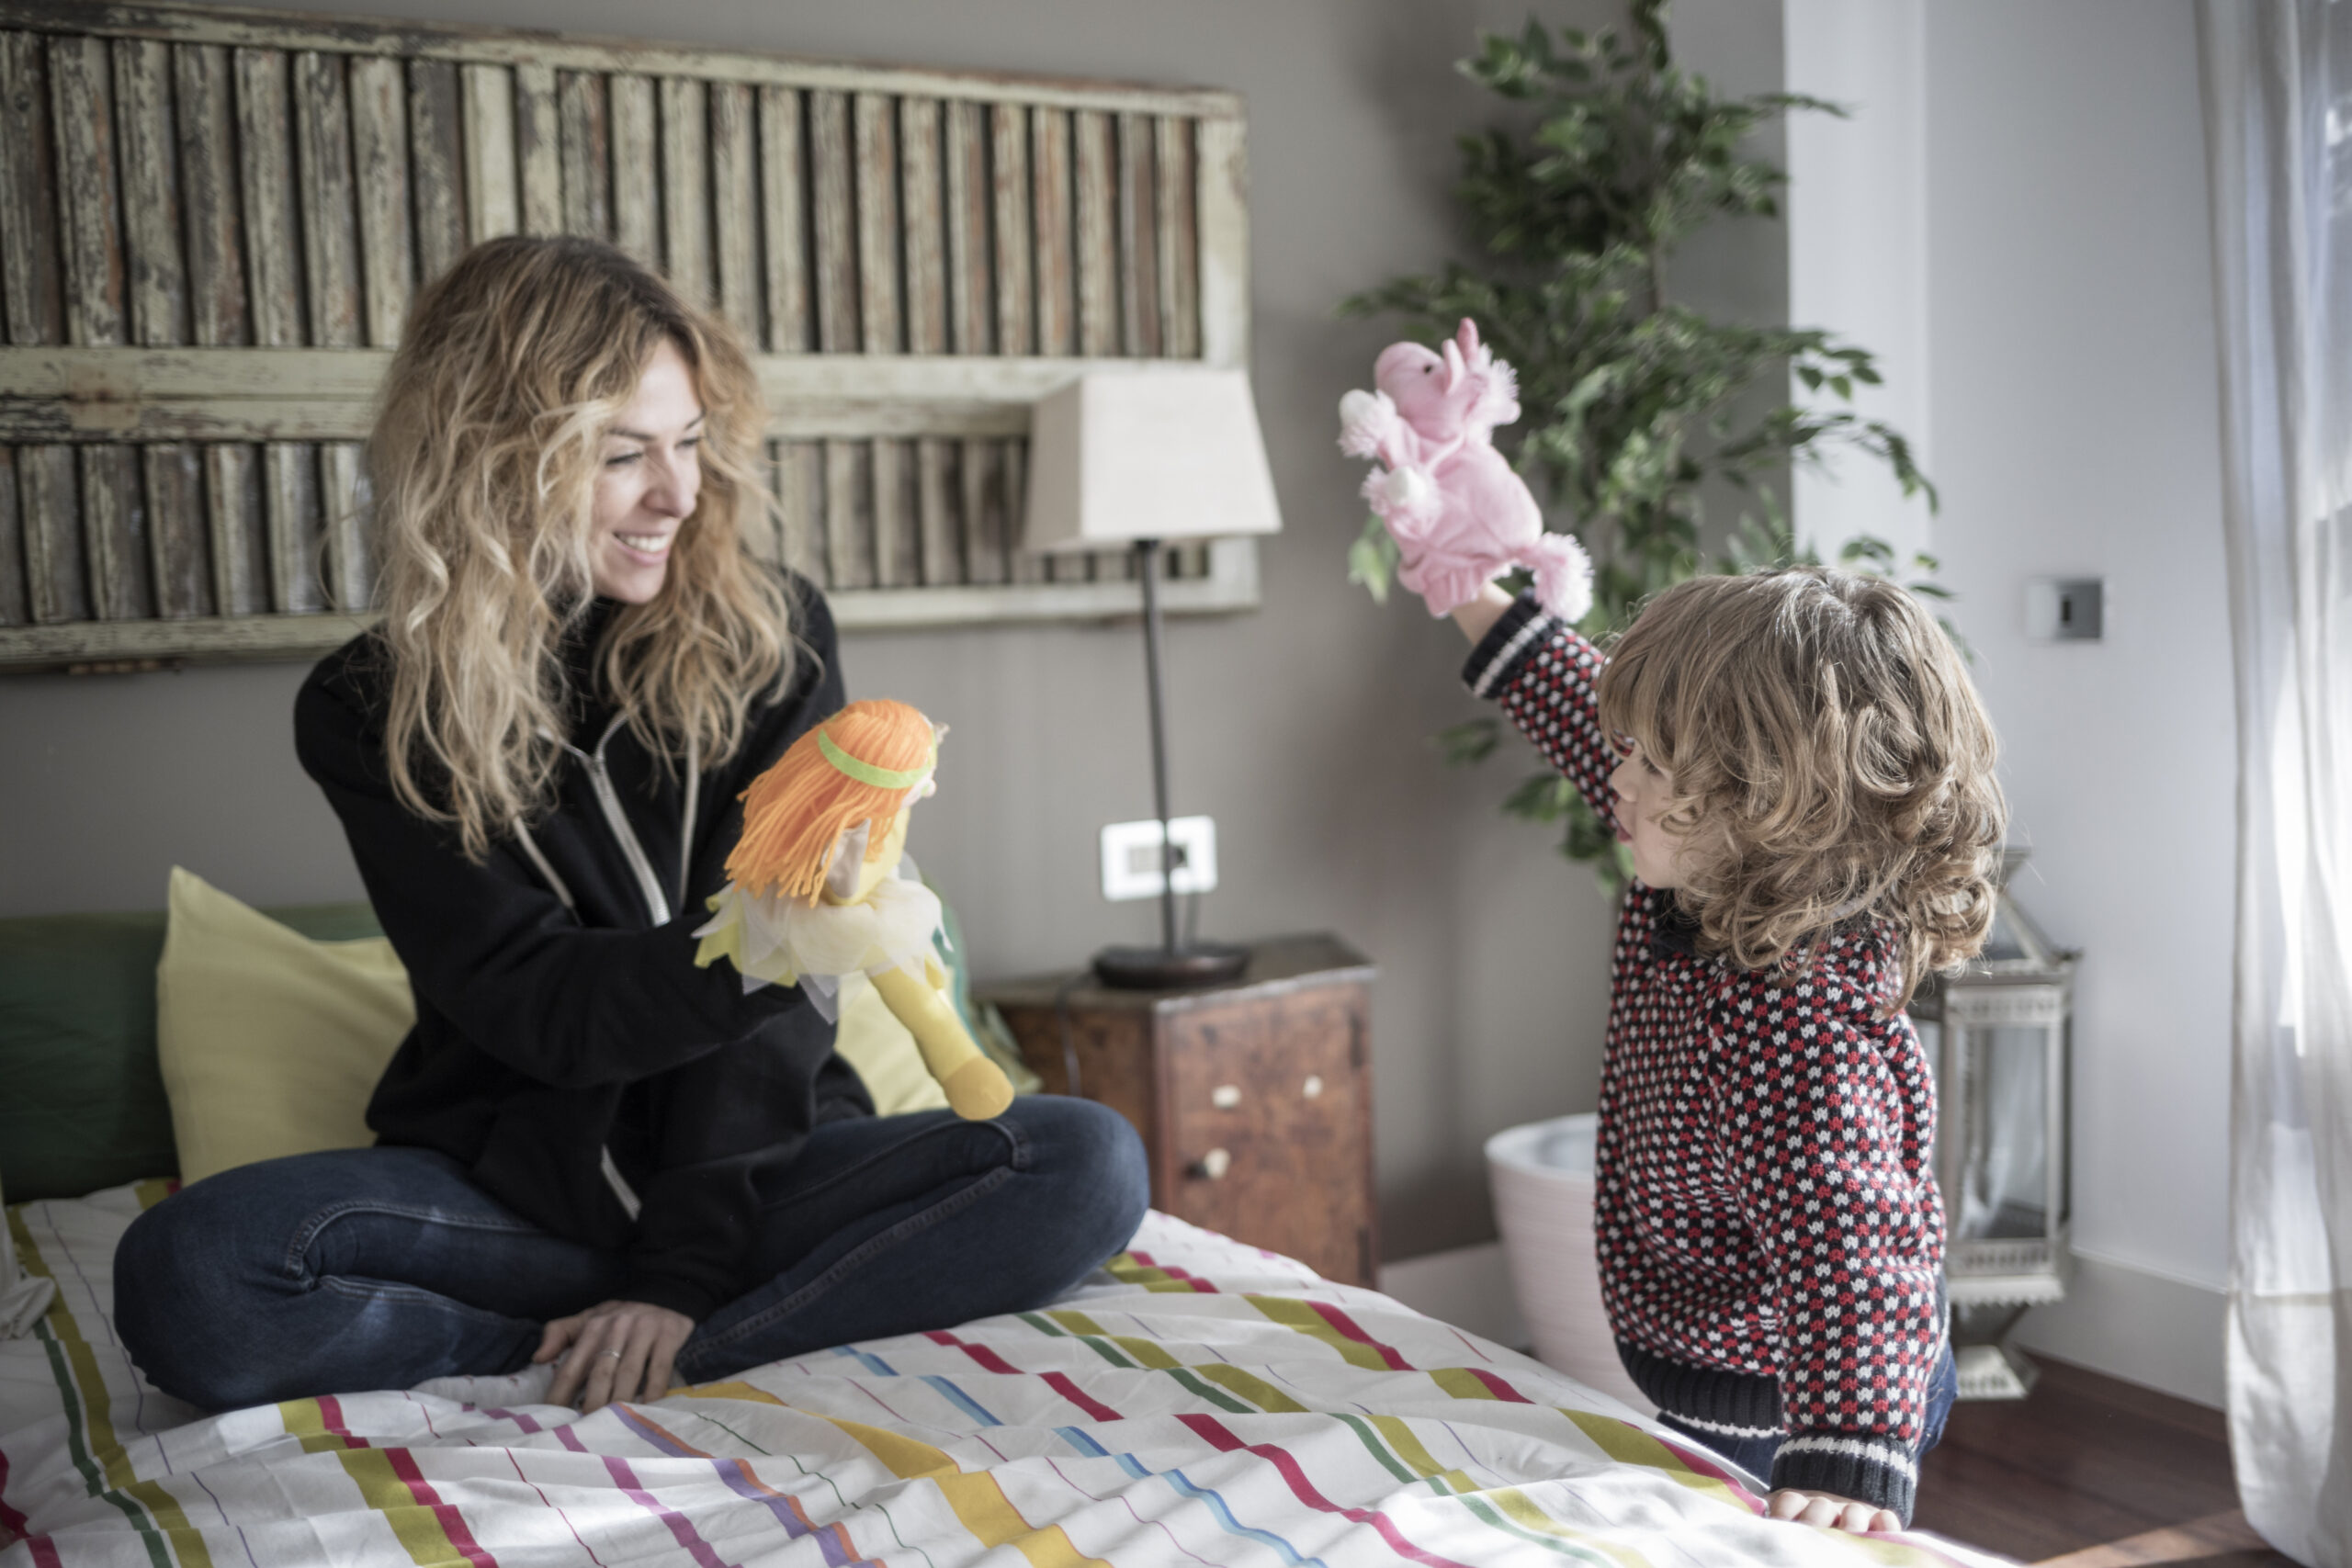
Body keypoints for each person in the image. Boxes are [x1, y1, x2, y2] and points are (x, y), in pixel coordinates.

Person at [114, 236, 1149, 1416]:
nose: (679, 494)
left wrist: (680, 1283)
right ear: (498, 461)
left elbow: (778, 1018)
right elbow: (532, 1001)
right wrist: (755, 948)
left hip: (766, 1180)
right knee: (192, 1276)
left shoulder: (773, 641)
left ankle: (681, 1350)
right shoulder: (369, 707)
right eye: (624, 456)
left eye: (691, 444)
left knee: (1082, 1162)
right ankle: (622, 1334)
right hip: (514, 1200)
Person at [1448, 569, 2002, 1532]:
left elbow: (1853, 1247)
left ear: (1773, 803)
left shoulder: (1792, 1023)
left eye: (1653, 766)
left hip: (1794, 1398)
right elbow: (1587, 719)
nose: (1618, 775)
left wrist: (1849, 1452)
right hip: (1726, 1367)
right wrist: (1466, 585)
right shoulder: (1707, 864)